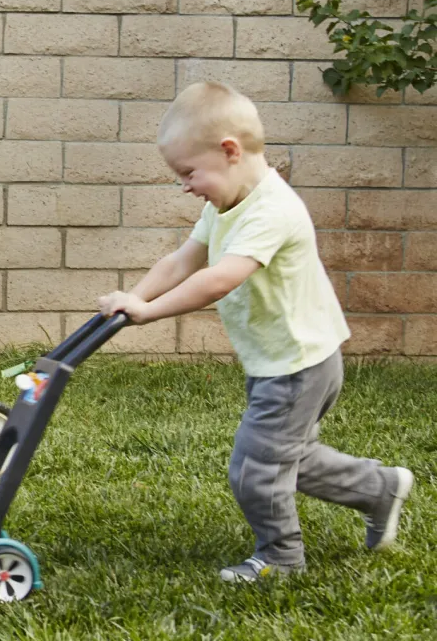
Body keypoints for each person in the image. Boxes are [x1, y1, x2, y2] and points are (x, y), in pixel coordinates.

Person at [97, 81, 413, 583]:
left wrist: (149, 313)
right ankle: (379, 488)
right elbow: (183, 260)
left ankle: (281, 558)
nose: (185, 185)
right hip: (285, 360)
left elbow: (219, 279)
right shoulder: (224, 205)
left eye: (188, 172)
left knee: (254, 470)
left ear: (229, 151)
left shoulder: (273, 209)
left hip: (297, 365)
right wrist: (131, 299)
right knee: (292, 459)